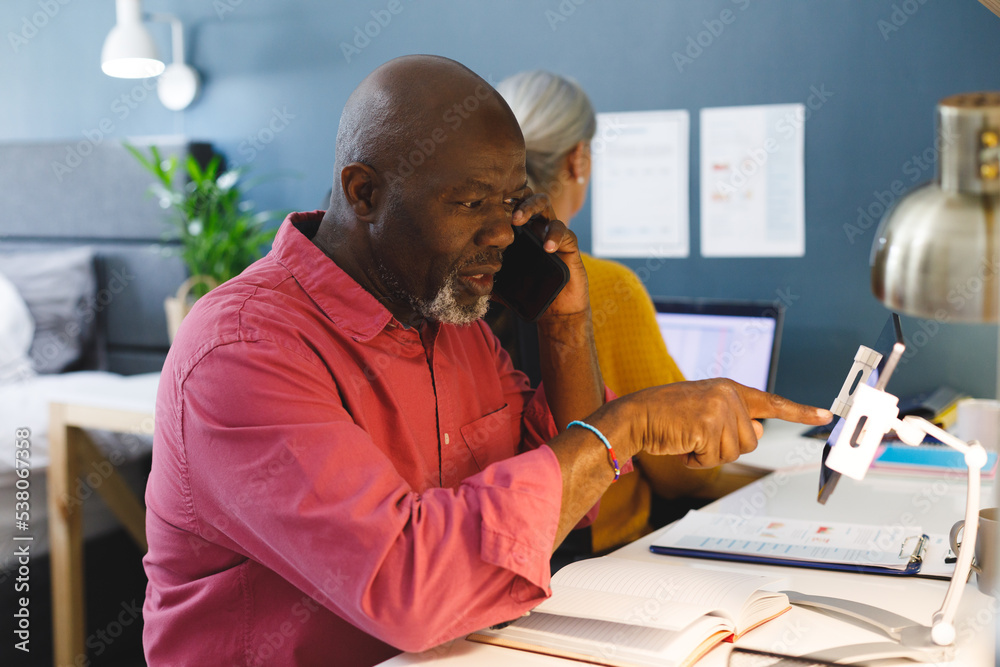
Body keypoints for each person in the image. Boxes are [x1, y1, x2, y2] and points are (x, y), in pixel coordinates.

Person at [142, 55, 830, 667]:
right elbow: (409, 587)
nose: (503, 232)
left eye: (510, 204)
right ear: (365, 192)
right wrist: (626, 427)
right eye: (471, 203)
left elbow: (570, 499)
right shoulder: (244, 352)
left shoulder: (447, 316)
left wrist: (566, 322)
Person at [494, 70, 730, 554]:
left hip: (500, 541)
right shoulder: (607, 287)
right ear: (578, 159)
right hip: (605, 552)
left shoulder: (471, 278)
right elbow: (680, 472)